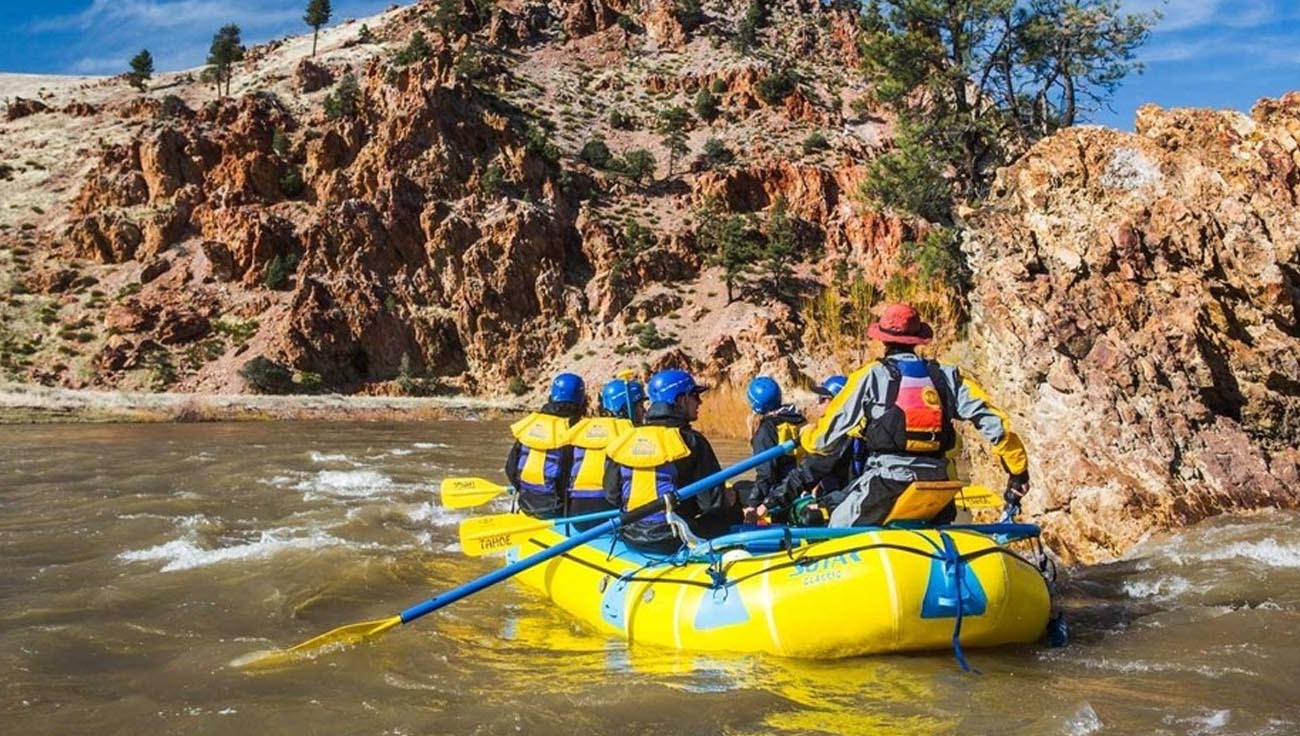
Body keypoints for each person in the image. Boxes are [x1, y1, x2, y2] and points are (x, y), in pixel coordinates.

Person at [801, 303, 1030, 527]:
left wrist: (806, 437)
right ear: (918, 339)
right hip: (938, 485)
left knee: (835, 526)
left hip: (888, 481)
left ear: (883, 339)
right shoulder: (947, 376)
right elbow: (995, 423)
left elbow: (824, 440)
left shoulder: (871, 376)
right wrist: (1018, 471)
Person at [602, 369, 741, 554]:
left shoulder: (624, 440)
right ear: (681, 400)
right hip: (675, 539)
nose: (699, 402)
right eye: (694, 396)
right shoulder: (692, 441)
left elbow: (612, 495)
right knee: (735, 497)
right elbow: (711, 504)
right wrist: (730, 500)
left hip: (630, 536)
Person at [756, 375, 862, 526]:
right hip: (845, 495)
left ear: (836, 402)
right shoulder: (862, 428)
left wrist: (766, 504)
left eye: (821, 399)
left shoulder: (835, 438)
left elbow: (806, 473)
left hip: (842, 501)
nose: (817, 404)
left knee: (800, 515)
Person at [562, 377, 646, 529]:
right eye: (640, 406)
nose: (644, 411)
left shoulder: (584, 428)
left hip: (575, 513)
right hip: (606, 514)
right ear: (627, 408)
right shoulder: (629, 434)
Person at [504, 373, 587, 519]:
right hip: (556, 510)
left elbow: (510, 469)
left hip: (525, 503)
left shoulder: (530, 426)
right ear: (580, 400)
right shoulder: (575, 431)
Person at [739, 376, 805, 523]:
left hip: (781, 492)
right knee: (743, 485)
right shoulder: (797, 418)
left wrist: (753, 504)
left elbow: (766, 473)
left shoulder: (766, 430)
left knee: (737, 489)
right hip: (801, 485)